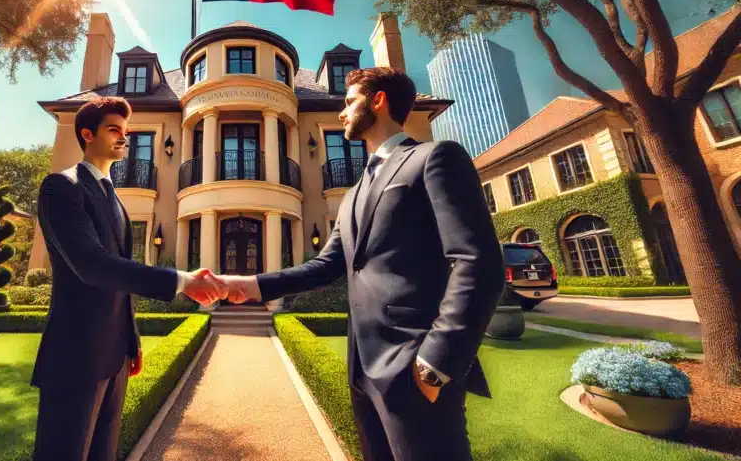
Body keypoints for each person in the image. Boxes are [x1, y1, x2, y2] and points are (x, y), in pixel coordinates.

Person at [220, 67, 505, 461]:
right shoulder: (354, 193)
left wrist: (436, 361)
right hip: (362, 369)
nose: (342, 114)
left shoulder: (434, 157)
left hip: (415, 364)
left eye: (350, 101)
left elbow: (478, 262)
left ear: (379, 100)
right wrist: (251, 285)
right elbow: (328, 265)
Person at [31, 96, 226, 461]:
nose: (124, 138)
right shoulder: (61, 187)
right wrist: (184, 280)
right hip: (76, 356)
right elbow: (92, 265)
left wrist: (131, 340)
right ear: (87, 134)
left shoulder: (115, 199)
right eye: (114, 130)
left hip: (115, 355)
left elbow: (119, 278)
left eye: (126, 131)